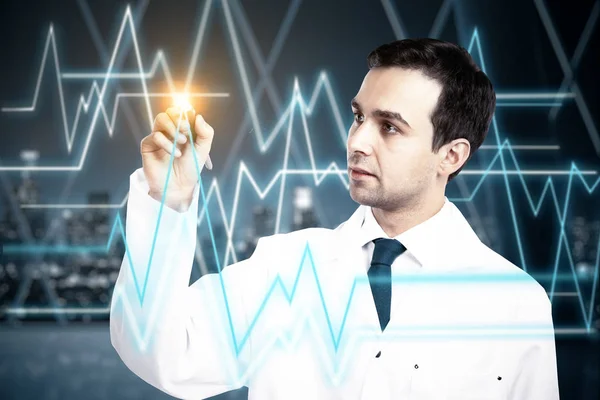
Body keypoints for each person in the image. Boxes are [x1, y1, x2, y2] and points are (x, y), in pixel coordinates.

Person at [110, 38, 560, 399]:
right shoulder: (281, 267)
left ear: (451, 155)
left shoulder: (515, 304)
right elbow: (160, 352)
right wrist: (168, 198)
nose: (358, 141)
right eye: (358, 116)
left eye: (389, 127)